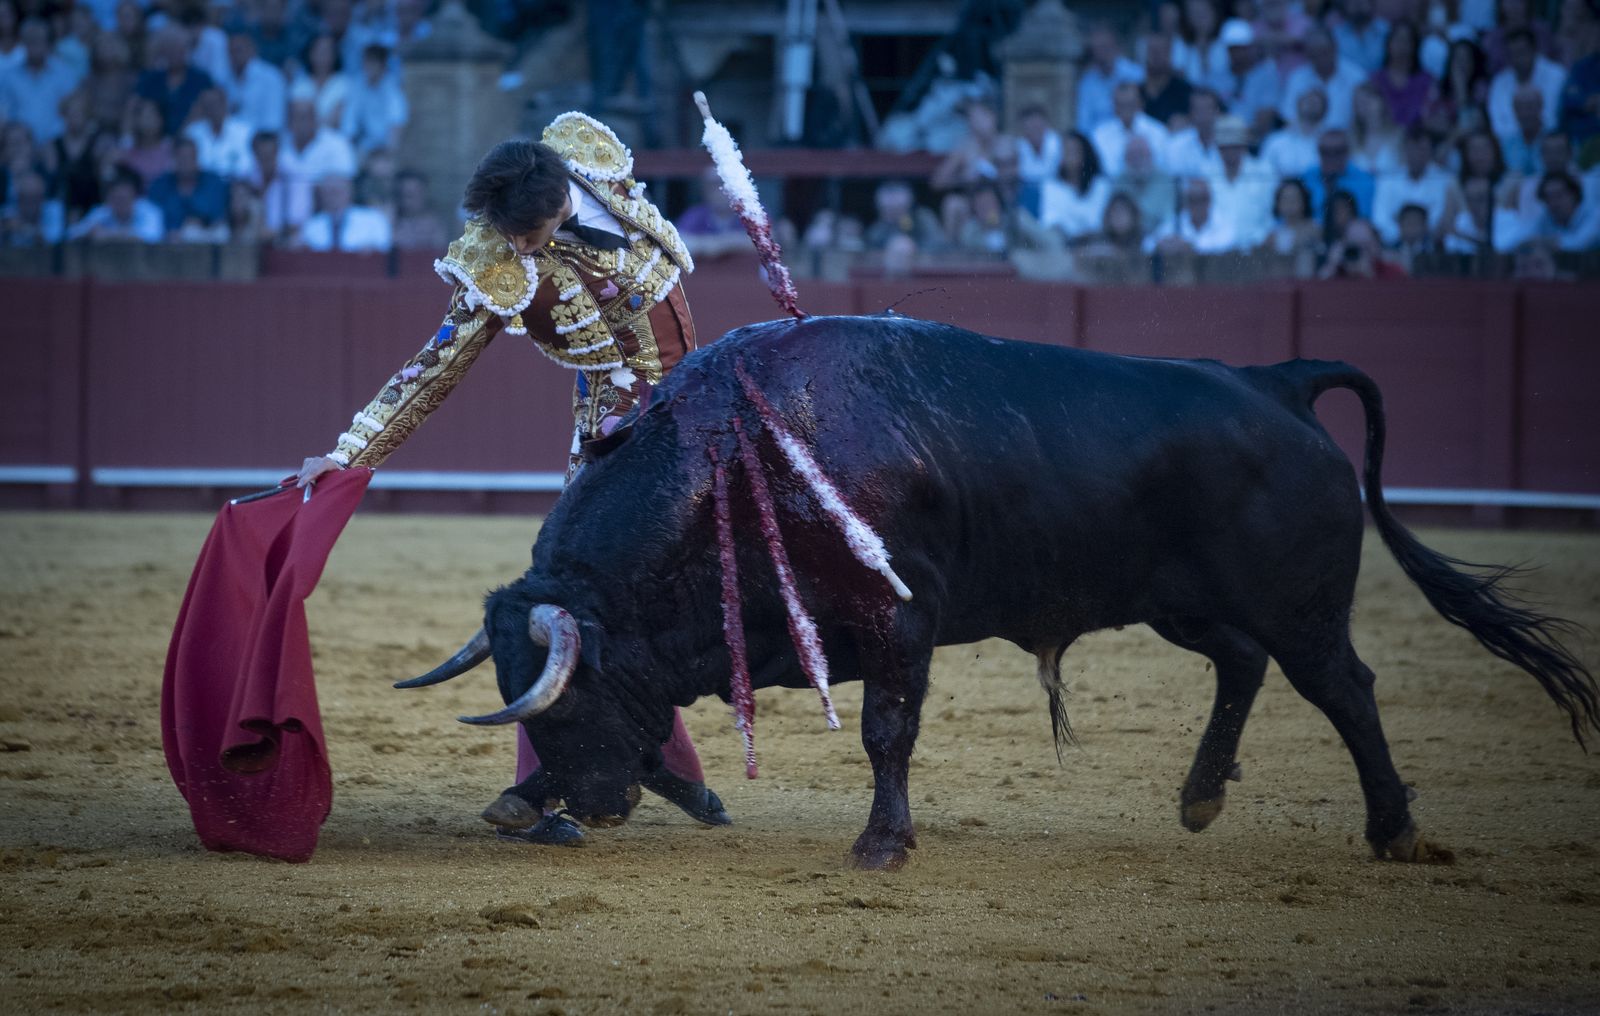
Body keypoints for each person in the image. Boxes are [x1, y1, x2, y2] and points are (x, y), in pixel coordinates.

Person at [292, 113, 729, 845]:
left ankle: (662, 760)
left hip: (699, 419)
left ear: (563, 200)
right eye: (513, 239)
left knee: (688, 596)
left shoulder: (591, 158)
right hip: (614, 440)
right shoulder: (494, 259)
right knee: (576, 607)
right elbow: (435, 367)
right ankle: (545, 789)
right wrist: (352, 451)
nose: (521, 251)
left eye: (530, 237)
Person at [0, 18, 83, 143]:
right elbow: (3, 115)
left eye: (39, 40)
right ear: (23, 43)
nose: (34, 45)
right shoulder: (8, 76)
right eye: (30, 40)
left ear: (49, 44)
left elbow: (73, 113)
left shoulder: (65, 75)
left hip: (56, 144)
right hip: (19, 145)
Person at [1372, 126, 1454, 243]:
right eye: (1412, 149)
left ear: (1430, 151)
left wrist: (1418, 236)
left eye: (1422, 149)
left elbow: (1439, 220)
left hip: (1430, 246)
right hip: (1393, 246)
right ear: (1404, 150)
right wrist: (1404, 236)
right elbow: (1380, 220)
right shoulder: (1387, 181)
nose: (1417, 154)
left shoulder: (1445, 181)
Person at [1207, 114, 1274, 247]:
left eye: (1235, 145)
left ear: (1244, 145)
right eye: (1225, 146)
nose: (1230, 151)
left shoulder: (1264, 172)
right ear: (1218, 147)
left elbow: (1271, 213)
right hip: (1215, 249)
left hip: (1256, 248)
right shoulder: (1206, 173)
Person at [1282, 26, 1367, 129]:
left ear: (1335, 48)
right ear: (1307, 54)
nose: (1321, 58)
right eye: (1314, 54)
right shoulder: (1297, 78)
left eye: (1324, 52)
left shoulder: (1356, 76)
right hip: (1307, 138)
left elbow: (1366, 117)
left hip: (1348, 139)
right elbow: (1289, 118)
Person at [146, 134, 229, 239]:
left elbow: (220, 217)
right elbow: (151, 219)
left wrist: (200, 223)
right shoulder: (159, 186)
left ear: (197, 157)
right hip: (167, 243)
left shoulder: (214, 183)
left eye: (190, 157)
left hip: (207, 239)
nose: (186, 162)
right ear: (174, 159)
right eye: (182, 158)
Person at [1487, 28, 1566, 137]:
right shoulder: (1499, 82)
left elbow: (1552, 119)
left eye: (1522, 52)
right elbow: (1498, 124)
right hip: (1510, 144)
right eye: (1512, 54)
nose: (1518, 58)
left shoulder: (1557, 75)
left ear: (1534, 50)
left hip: (1549, 141)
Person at [1039, 130, 1111, 241]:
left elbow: (1099, 222)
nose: (1070, 156)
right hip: (1064, 246)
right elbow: (1051, 222)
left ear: (1085, 153)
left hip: (1096, 243)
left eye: (1074, 151)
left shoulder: (1101, 185)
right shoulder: (1051, 186)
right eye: (1066, 151)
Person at [295, 170, 389, 251]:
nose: (333, 197)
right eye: (328, 192)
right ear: (321, 195)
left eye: (337, 191)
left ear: (350, 192)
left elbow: (383, 248)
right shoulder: (311, 225)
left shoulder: (373, 219)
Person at [1092, 81, 1170, 176]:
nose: (1126, 110)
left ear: (1140, 104)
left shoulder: (1158, 132)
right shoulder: (1100, 134)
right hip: (1113, 187)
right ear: (1114, 106)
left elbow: (1162, 168)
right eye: (1121, 105)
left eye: (1130, 104)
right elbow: (1104, 171)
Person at [1077, 22, 1144, 133]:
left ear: (1115, 46)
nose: (1102, 53)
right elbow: (1083, 124)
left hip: (1134, 136)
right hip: (1099, 142)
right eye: (1097, 48)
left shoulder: (1135, 74)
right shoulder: (1086, 83)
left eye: (1105, 47)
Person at [66, 165, 162, 241]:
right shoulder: (103, 212)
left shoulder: (149, 211)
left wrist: (108, 234)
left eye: (124, 198)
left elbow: (151, 237)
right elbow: (71, 235)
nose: (120, 202)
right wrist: (88, 233)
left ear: (135, 196)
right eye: (115, 198)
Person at [1145, 174, 1239, 252]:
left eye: (1202, 199)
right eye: (1192, 200)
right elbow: (1147, 244)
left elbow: (1226, 244)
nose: (1198, 205)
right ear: (1186, 202)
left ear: (1210, 200)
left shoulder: (1223, 222)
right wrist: (1160, 244)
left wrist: (1189, 246)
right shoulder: (1176, 222)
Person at [1369, 20, 1434, 127]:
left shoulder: (1427, 82)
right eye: (1398, 40)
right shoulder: (1375, 80)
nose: (1402, 46)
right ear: (1388, 44)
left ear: (1415, 46)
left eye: (1407, 41)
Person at [1111, 134, 1177, 239]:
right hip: (1124, 239)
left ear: (1151, 155)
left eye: (1141, 154)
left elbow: (1168, 219)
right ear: (1125, 158)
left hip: (1159, 238)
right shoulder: (1119, 181)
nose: (1137, 159)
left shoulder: (1165, 181)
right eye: (1132, 155)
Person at [1304, 127, 1376, 217]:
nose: (1331, 157)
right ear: (1318, 152)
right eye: (1325, 151)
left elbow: (1364, 216)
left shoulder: (1365, 181)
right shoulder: (1307, 178)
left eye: (1337, 151)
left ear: (1348, 152)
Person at [184, 86, 253, 179]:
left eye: (215, 104)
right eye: (207, 105)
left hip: (235, 185)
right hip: (203, 187)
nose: (212, 109)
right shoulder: (192, 133)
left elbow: (247, 167)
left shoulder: (245, 132)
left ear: (225, 104)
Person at [1262, 87, 1329, 177]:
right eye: (1308, 100)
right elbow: (1263, 173)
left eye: (1316, 102)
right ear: (1298, 104)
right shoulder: (1275, 141)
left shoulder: (1328, 145)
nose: (1312, 104)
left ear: (1324, 110)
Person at [1140, 31, 1193, 128]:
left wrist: (1189, 120)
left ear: (1170, 54)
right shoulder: (1134, 93)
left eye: (1161, 51)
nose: (1156, 56)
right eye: (1152, 51)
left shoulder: (1185, 91)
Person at [391, 167, 447, 251]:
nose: (409, 200)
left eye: (416, 193)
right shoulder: (391, 223)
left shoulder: (435, 226)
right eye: (406, 195)